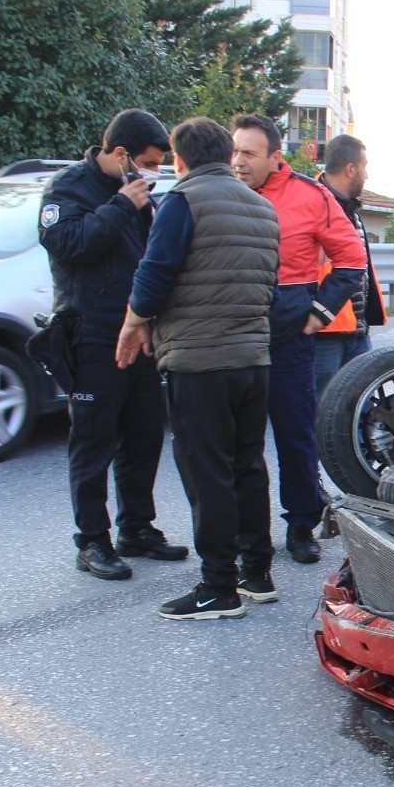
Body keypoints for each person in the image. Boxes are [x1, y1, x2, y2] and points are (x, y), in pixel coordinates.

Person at [113, 116, 278, 620]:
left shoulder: (184, 201)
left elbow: (156, 272)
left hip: (200, 361)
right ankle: (256, 573)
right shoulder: (264, 209)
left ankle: (217, 588)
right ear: (226, 156)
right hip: (253, 359)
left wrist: (133, 323)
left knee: (207, 473)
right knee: (247, 466)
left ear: (181, 160)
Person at [39, 108, 189, 580]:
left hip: (138, 331)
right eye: (146, 162)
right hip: (91, 332)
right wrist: (123, 204)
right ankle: (92, 541)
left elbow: (153, 259)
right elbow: (68, 243)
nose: (152, 172)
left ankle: (136, 529)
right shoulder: (69, 188)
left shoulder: (142, 198)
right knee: (93, 441)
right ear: (121, 154)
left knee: (143, 436)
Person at [230, 114, 367, 565]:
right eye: (235, 152)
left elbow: (351, 259)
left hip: (288, 338)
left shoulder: (310, 197)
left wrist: (319, 314)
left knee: (295, 434)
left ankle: (301, 525)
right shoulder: (222, 191)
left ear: (275, 156)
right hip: (232, 333)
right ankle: (246, 531)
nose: (239, 162)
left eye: (249, 153)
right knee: (237, 439)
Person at [313, 134, 387, 397]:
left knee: (358, 410)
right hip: (326, 331)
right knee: (324, 410)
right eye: (364, 167)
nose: (366, 175)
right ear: (351, 169)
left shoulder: (349, 210)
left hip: (354, 327)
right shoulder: (313, 205)